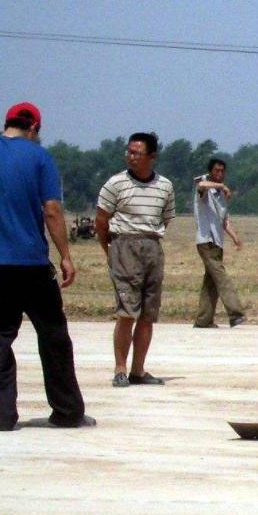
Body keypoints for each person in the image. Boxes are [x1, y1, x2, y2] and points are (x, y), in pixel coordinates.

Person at [0, 102, 92, 430]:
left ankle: (2, 417)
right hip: (31, 265)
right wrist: (65, 256)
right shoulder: (39, 157)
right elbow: (52, 210)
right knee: (53, 335)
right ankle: (68, 412)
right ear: (34, 128)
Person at [95, 131, 175, 387]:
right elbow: (101, 220)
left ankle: (138, 371)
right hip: (123, 245)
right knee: (127, 312)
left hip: (152, 246)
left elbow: (165, 218)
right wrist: (111, 250)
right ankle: (120, 368)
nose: (130, 157)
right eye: (128, 152)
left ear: (151, 156)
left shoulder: (165, 186)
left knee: (148, 314)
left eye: (136, 153)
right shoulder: (115, 184)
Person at [192, 157, 246, 328]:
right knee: (221, 277)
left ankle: (204, 319)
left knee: (211, 282)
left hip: (217, 242)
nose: (220, 174)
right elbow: (201, 186)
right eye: (217, 171)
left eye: (222, 171)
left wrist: (235, 238)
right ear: (210, 172)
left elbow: (224, 221)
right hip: (205, 240)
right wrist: (220, 186)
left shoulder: (220, 195)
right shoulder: (204, 188)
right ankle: (235, 313)